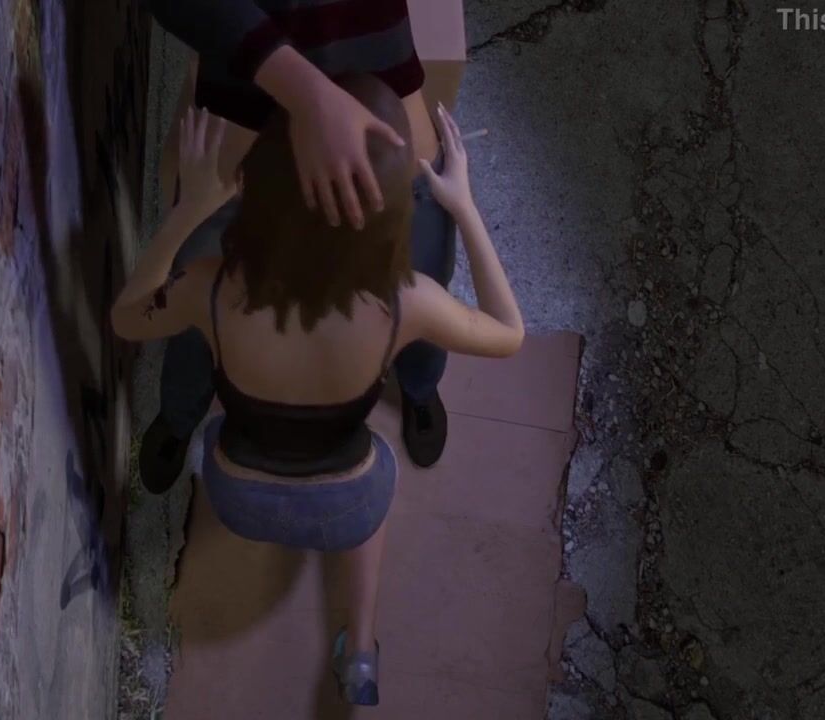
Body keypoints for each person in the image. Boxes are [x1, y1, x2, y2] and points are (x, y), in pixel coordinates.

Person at [111, 74, 525, 706]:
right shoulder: (406, 301)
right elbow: (508, 332)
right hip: (345, 503)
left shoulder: (213, 284)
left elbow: (126, 318)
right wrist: (464, 204)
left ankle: (180, 425)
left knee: (205, 368)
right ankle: (360, 651)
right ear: (390, 219)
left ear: (258, 190)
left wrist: (189, 209)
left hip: (237, 494)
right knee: (371, 478)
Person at [138, 0, 460, 492]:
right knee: (198, 304)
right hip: (245, 125)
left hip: (385, 122)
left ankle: (420, 386)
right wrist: (308, 93)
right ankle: (180, 412)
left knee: (425, 282)